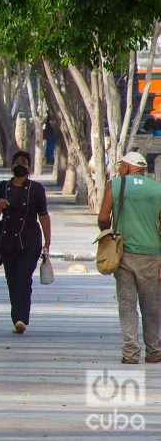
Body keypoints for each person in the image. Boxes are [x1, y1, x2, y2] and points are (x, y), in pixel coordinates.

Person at [97, 152, 161, 364]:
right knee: (151, 304)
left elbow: (103, 217)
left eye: (120, 166)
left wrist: (107, 234)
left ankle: (130, 352)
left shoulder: (114, 185)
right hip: (152, 254)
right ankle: (153, 351)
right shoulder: (157, 188)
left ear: (127, 167)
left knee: (127, 304)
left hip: (123, 253)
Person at [0, 151, 51, 335]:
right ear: (11, 166)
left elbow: (44, 216)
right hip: (8, 241)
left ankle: (22, 317)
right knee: (12, 280)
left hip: (30, 240)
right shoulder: (2, 187)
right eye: (16, 162)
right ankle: (16, 317)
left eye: (24, 162)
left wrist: (47, 242)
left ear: (29, 168)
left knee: (24, 278)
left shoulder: (36, 189)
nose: (20, 165)